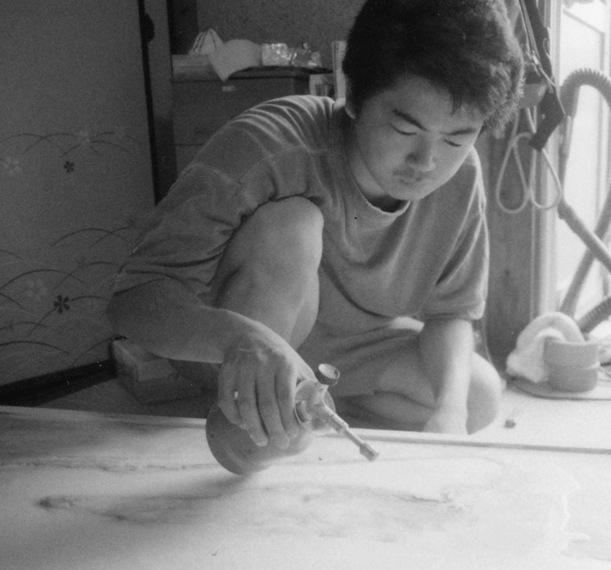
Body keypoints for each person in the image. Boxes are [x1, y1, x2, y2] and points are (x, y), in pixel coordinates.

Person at [108, 0, 525, 448]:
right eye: (406, 130)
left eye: (456, 139)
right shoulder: (268, 146)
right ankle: (250, 417)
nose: (427, 163)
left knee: (476, 395)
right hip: (238, 339)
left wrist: (450, 414)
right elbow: (132, 301)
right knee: (295, 224)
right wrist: (242, 340)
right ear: (356, 95)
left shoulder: (461, 179)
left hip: (349, 351)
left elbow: (451, 314)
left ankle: (309, 410)